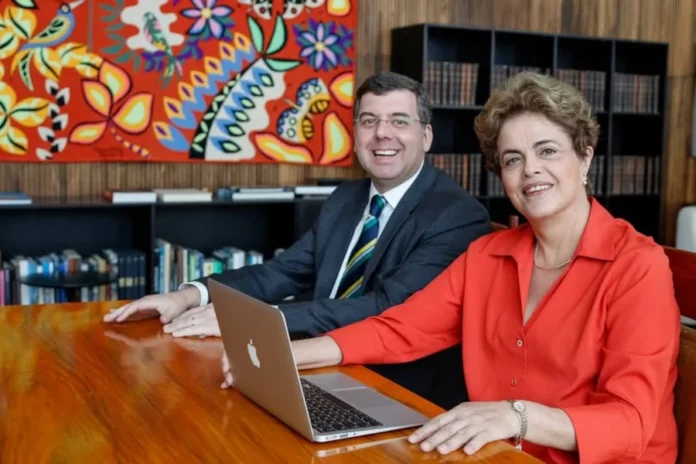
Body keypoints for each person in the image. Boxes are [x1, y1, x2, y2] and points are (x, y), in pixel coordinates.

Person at [223, 71, 681, 463]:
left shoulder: (638, 266)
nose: (530, 171)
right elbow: (400, 329)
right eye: (513, 159)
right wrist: (288, 355)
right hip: (495, 453)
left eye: (547, 151)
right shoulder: (487, 255)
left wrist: (515, 416)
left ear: (585, 157)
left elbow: (631, 421)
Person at [104, 71, 492, 409]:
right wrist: (189, 295)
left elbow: (387, 307)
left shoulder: (455, 214)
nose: (382, 133)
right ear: (355, 133)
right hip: (310, 363)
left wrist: (256, 323)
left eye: (399, 121)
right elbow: (282, 272)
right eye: (369, 120)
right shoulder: (345, 198)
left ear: (426, 136)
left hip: (392, 386)